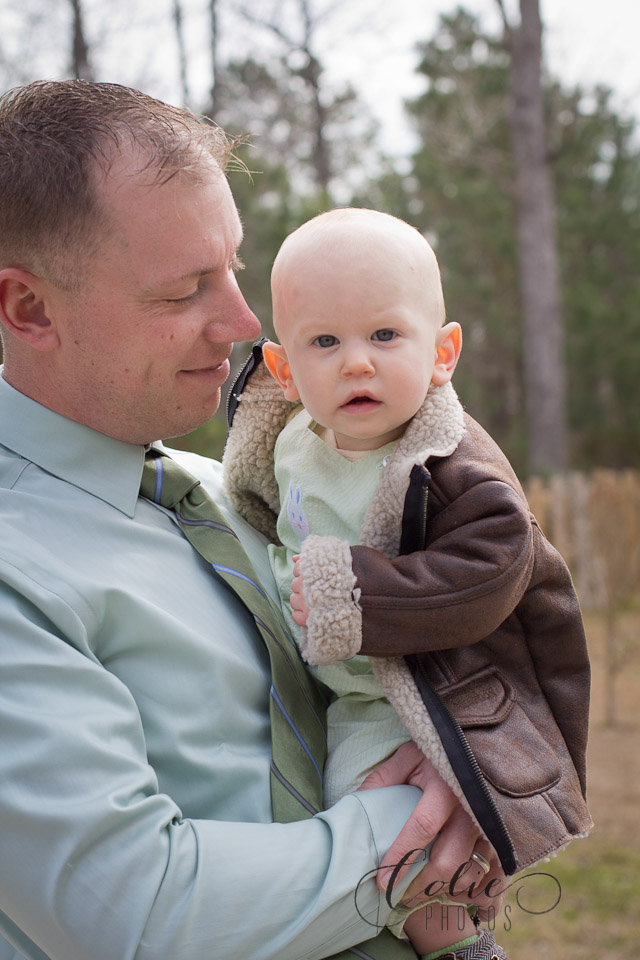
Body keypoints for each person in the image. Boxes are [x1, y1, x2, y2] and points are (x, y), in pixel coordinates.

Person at [0, 80, 501, 960]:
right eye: (185, 289)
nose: (242, 320)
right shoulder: (17, 569)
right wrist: (428, 811)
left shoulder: (242, 490)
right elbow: (138, 910)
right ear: (30, 309)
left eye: (232, 265)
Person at [223, 208, 594, 959]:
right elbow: (265, 511)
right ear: (285, 369)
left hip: (424, 698)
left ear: (442, 352)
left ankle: (464, 951)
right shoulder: (293, 442)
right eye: (325, 342)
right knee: (344, 852)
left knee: (409, 869)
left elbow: (493, 564)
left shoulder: (449, 462)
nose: (356, 362)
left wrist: (351, 594)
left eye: (384, 336)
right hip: (344, 697)